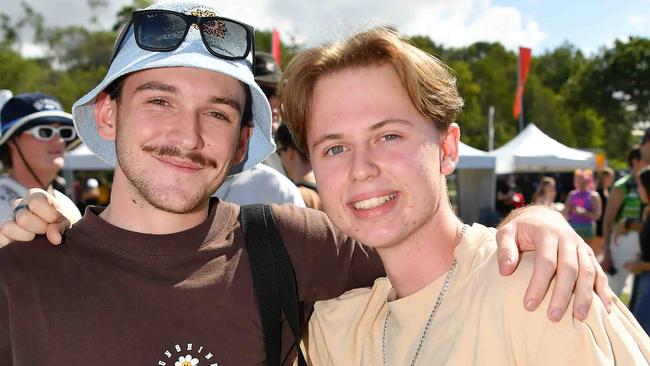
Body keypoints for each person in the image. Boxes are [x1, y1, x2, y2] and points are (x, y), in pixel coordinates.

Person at [0, 2, 613, 364]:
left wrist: (533, 222)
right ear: (108, 115)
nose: (187, 136)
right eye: (158, 101)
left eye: (216, 112)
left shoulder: (294, 247)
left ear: (243, 142)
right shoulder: (19, 272)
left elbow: (429, 251)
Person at [277, 27, 649, 364]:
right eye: (335, 148)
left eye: (388, 136)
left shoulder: (536, 288)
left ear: (448, 148)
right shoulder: (334, 332)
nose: (361, 168)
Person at [0, 93, 81, 221]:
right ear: (13, 141)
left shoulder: (67, 205)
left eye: (64, 132)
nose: (60, 140)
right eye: (45, 131)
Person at [602, 146, 645, 296]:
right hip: (623, 241)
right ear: (635, 161)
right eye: (645, 159)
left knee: (640, 295)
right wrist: (607, 251)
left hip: (644, 241)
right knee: (612, 292)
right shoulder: (622, 186)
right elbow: (608, 221)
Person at [621, 166, 650, 334]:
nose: (638, 190)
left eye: (640, 186)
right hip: (643, 278)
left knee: (641, 334)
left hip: (646, 277)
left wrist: (641, 265)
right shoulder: (647, 211)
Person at [275, 123, 322, 210]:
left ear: (290, 152)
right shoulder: (330, 189)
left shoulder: (296, 196)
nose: (280, 159)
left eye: (279, 152)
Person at [563, 169, 602, 248]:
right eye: (578, 178)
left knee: (585, 253)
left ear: (588, 180)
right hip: (572, 227)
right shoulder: (572, 194)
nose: (580, 181)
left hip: (587, 229)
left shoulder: (594, 196)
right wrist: (568, 208)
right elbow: (565, 213)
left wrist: (583, 212)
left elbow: (597, 216)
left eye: (582, 179)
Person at [595, 166, 615, 253]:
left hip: (603, 226)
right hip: (599, 227)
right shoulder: (599, 192)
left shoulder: (605, 191)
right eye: (611, 177)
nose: (612, 180)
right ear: (605, 177)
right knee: (595, 252)